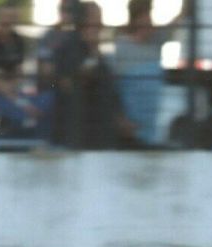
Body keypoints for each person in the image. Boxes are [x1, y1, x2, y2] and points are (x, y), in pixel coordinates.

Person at [53, 1, 131, 149]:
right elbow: (71, 83)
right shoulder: (68, 48)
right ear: (83, 21)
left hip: (101, 133)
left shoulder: (99, 54)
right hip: (79, 134)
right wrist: (93, 54)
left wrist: (120, 118)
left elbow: (109, 89)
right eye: (96, 19)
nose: (100, 25)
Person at [0, 3, 48, 137]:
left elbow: (19, 72)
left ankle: (40, 147)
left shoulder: (18, 41)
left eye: (12, 18)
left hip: (16, 93)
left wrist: (20, 99)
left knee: (46, 104)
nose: (8, 22)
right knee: (22, 114)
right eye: (5, 17)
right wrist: (21, 103)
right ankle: (16, 148)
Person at [113, 0, 165, 146]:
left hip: (151, 130)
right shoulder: (122, 47)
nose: (150, 24)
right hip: (129, 131)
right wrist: (122, 120)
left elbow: (180, 19)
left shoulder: (156, 41)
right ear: (135, 21)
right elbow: (113, 89)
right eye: (146, 19)